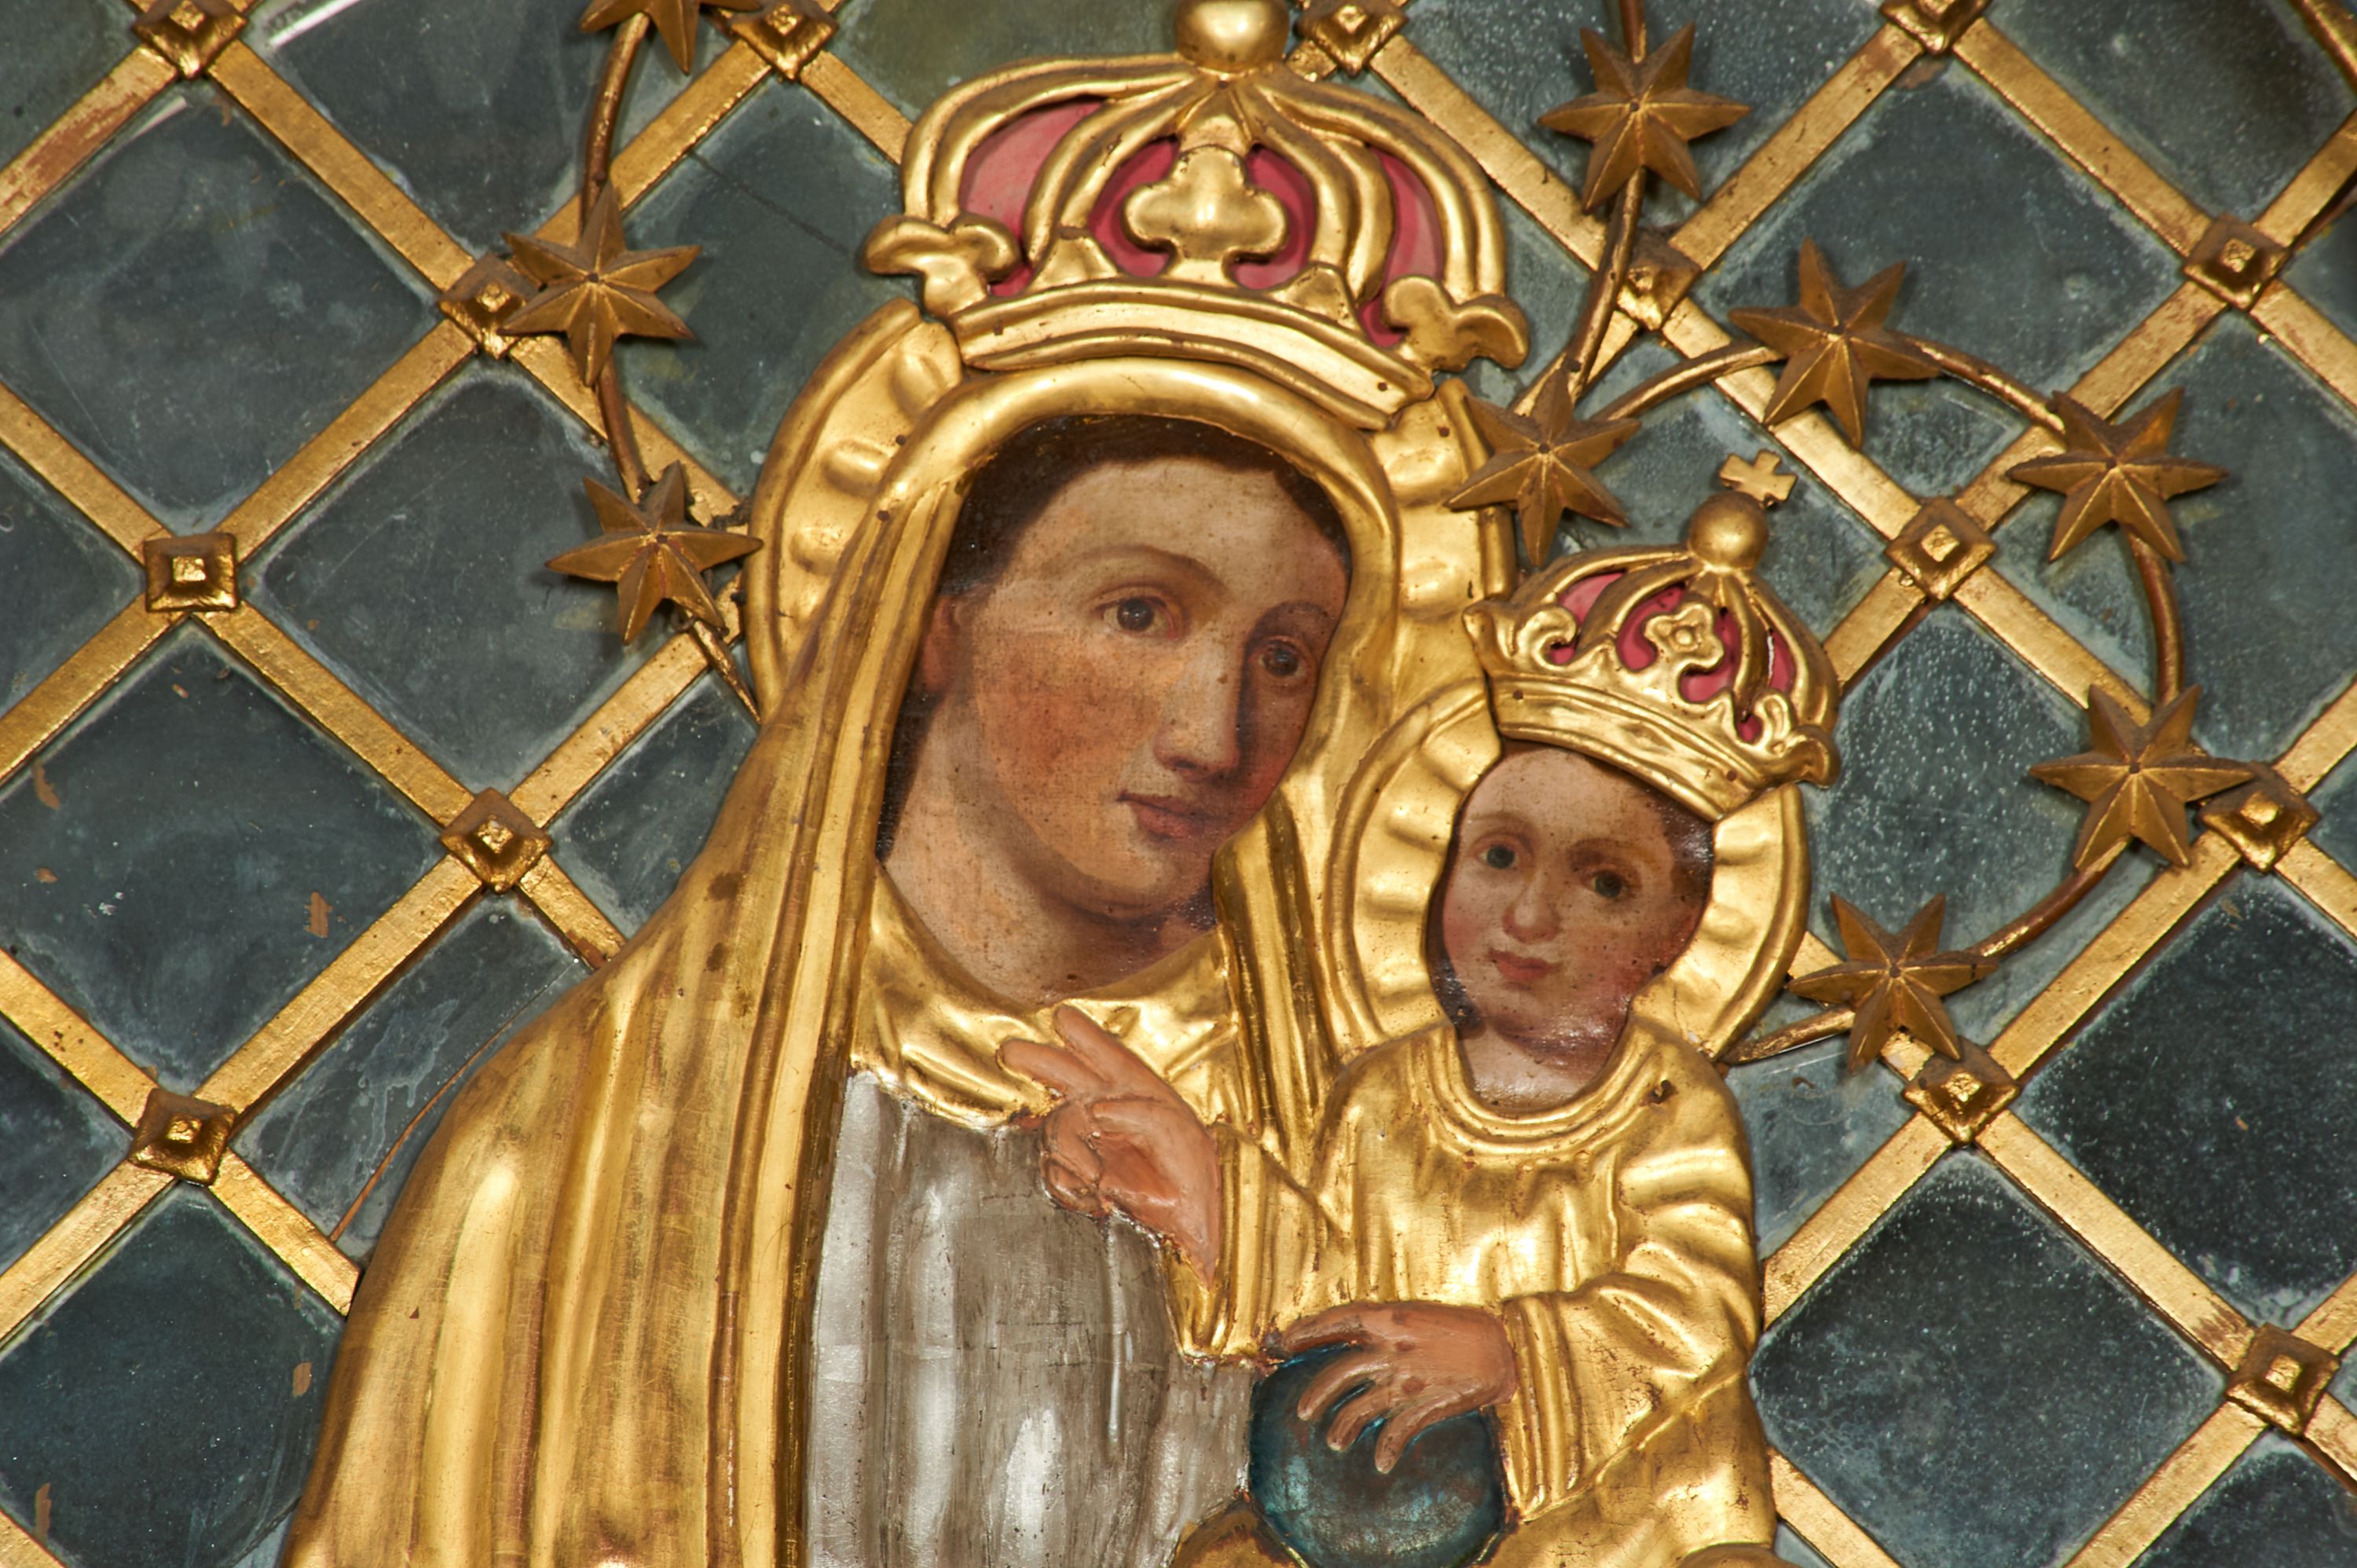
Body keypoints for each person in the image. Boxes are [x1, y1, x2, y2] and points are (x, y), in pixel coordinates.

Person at [1011, 493, 1838, 1568]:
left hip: (1630, 1532)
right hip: (1389, 1523)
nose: (1530, 916)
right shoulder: (1385, 1095)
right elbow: (1327, 1295)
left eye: (1602, 882)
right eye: (1498, 856)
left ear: (1680, 931)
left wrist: (1509, 1353)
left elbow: (1694, 1312)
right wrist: (1207, 1201)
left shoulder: (1665, 1111)